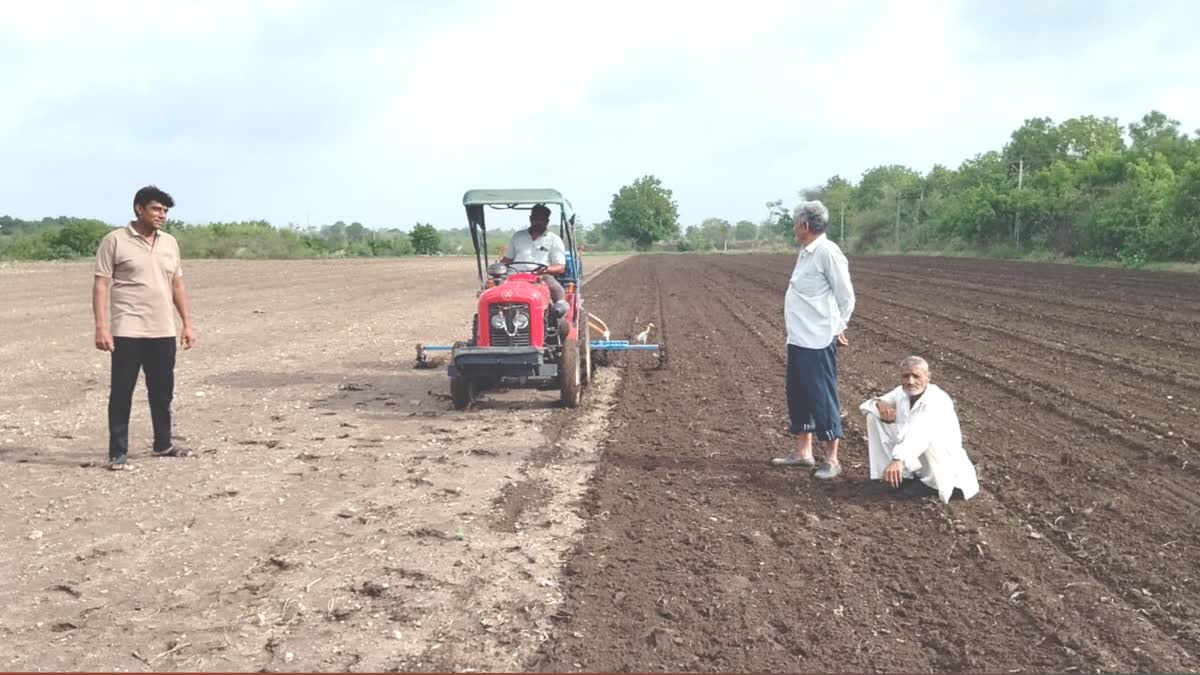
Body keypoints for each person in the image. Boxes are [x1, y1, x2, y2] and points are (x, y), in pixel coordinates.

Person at [93, 185, 197, 471]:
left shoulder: (169, 243)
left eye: (165, 211)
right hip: (127, 328)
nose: (161, 215)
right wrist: (102, 326)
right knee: (122, 391)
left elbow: (177, 284)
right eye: (156, 209)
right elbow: (101, 284)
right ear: (139, 208)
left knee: (162, 391)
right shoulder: (114, 240)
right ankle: (117, 453)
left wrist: (187, 323)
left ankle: (163, 444)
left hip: (162, 328)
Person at [771, 200, 855, 479]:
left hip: (818, 340)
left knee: (822, 396)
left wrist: (837, 328)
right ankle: (803, 453)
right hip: (798, 337)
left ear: (805, 226)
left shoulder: (828, 253)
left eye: (796, 224)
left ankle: (831, 459)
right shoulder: (806, 252)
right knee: (798, 395)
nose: (794, 229)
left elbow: (846, 297)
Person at [860, 356, 980, 502]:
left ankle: (931, 484)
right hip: (916, 452)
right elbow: (866, 407)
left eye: (916, 376)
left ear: (928, 377)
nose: (910, 381)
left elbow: (919, 436)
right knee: (874, 415)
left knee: (923, 438)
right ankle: (900, 477)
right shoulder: (902, 392)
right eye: (906, 376)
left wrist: (898, 459)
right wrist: (879, 402)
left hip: (942, 464)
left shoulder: (936, 400)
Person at [499, 203, 567, 303]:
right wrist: (497, 268)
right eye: (536, 219)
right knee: (492, 291)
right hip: (514, 274)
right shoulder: (518, 236)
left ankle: (558, 316)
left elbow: (560, 267)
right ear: (531, 219)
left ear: (547, 221)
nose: (538, 222)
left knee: (559, 294)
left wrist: (545, 270)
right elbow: (507, 260)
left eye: (542, 220)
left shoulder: (554, 240)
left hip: (541, 276)